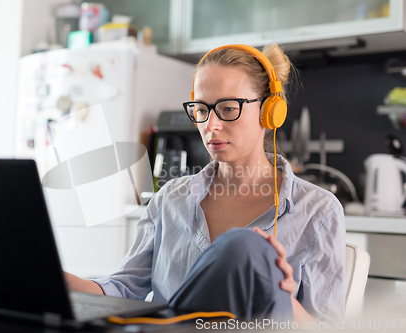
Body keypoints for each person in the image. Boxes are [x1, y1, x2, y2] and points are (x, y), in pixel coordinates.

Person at [64, 44, 346, 324]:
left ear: (269, 111)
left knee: (246, 247)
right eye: (201, 109)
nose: (210, 125)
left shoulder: (318, 211)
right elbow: (123, 290)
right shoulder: (169, 200)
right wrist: (54, 278)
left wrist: (282, 296)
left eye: (227, 108)